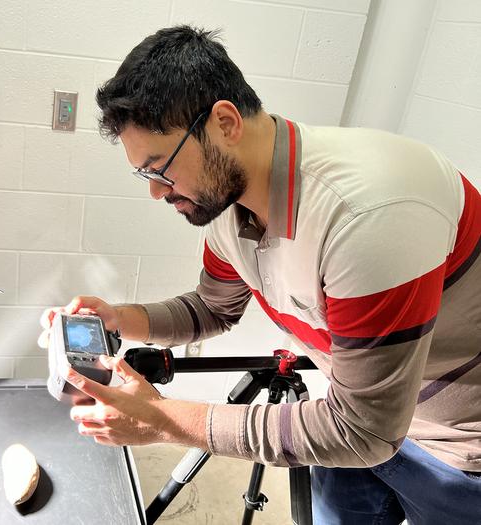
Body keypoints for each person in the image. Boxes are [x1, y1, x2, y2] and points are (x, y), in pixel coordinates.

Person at [39, 26, 481, 524]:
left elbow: (366, 432)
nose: (158, 193)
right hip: (358, 412)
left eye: (160, 168)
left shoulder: (368, 214)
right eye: (146, 175)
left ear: (225, 122)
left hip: (461, 449)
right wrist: (119, 318)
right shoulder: (230, 205)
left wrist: (163, 420)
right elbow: (212, 308)